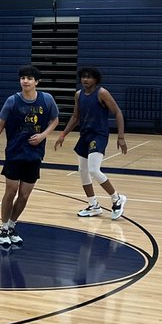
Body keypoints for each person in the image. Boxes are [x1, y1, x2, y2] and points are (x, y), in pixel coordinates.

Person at [0, 64, 60, 247]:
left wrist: (43, 135)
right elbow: (1, 123)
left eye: (29, 78)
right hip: (15, 152)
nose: (25, 81)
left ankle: (11, 225)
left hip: (34, 154)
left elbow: (55, 120)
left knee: (24, 195)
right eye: (23, 78)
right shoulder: (12, 101)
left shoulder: (47, 99)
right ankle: (2, 228)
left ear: (37, 82)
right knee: (11, 191)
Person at [54, 67, 129, 219]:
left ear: (96, 79)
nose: (85, 79)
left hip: (99, 135)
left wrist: (121, 137)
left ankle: (116, 198)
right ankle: (93, 205)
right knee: (82, 171)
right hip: (85, 135)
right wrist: (63, 134)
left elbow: (118, 112)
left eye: (89, 77)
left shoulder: (102, 93)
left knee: (94, 170)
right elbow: (76, 117)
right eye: (83, 77)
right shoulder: (78, 94)